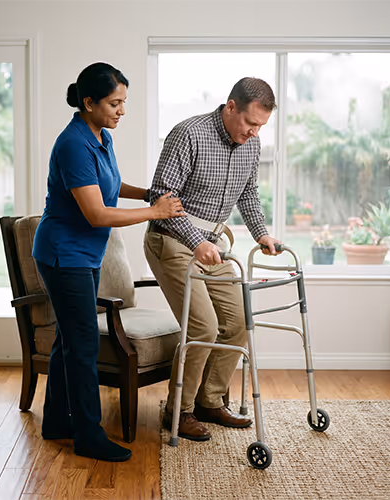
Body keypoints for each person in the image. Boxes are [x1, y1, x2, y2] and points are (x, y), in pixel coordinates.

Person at [32, 62, 184, 462]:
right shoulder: (73, 144)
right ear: (89, 102)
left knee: (68, 338)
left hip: (84, 254)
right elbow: (97, 213)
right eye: (115, 103)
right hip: (64, 255)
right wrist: (155, 213)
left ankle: (57, 422)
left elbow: (112, 187)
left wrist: (149, 194)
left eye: (124, 103)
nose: (121, 111)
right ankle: (88, 434)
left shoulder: (100, 136)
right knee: (83, 345)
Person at [144, 77, 281, 442]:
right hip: (171, 239)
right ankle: (179, 410)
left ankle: (209, 401)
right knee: (203, 326)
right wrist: (194, 239)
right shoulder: (188, 134)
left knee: (238, 322)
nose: (254, 132)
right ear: (231, 106)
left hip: (213, 246)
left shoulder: (251, 145)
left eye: (261, 126)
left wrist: (261, 234)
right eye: (250, 123)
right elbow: (161, 196)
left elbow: (248, 193)